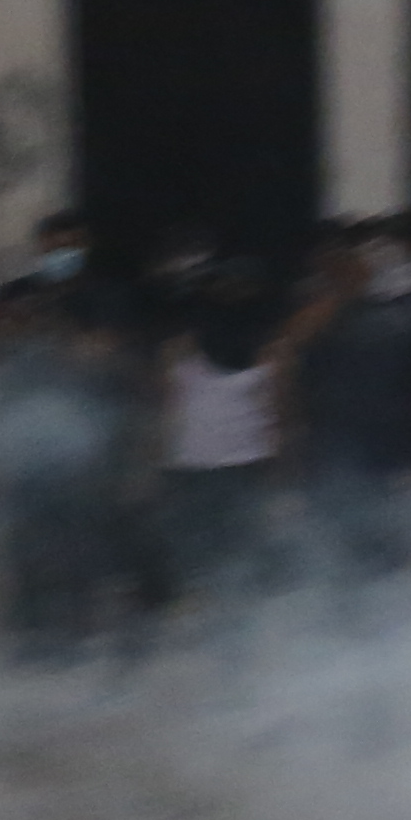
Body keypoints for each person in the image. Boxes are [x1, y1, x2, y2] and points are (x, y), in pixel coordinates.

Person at [0, 270, 134, 664]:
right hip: (24, 472)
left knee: (73, 553)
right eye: (17, 313)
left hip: (71, 471)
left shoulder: (69, 353)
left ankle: (73, 633)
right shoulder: (11, 359)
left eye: (31, 312)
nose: (25, 320)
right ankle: (31, 637)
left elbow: (99, 397)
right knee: (25, 556)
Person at [291, 216, 411, 588]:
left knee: (393, 547)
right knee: (334, 546)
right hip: (332, 449)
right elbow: (289, 362)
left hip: (398, 446)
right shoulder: (323, 310)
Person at [151, 254, 305, 628]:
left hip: (247, 467)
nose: (232, 296)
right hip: (190, 469)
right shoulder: (179, 348)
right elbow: (165, 411)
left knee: (244, 562)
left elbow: (281, 415)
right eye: (223, 287)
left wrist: (285, 472)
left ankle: (239, 639)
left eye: (241, 288)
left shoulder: (274, 347)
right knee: (197, 563)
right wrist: (154, 465)